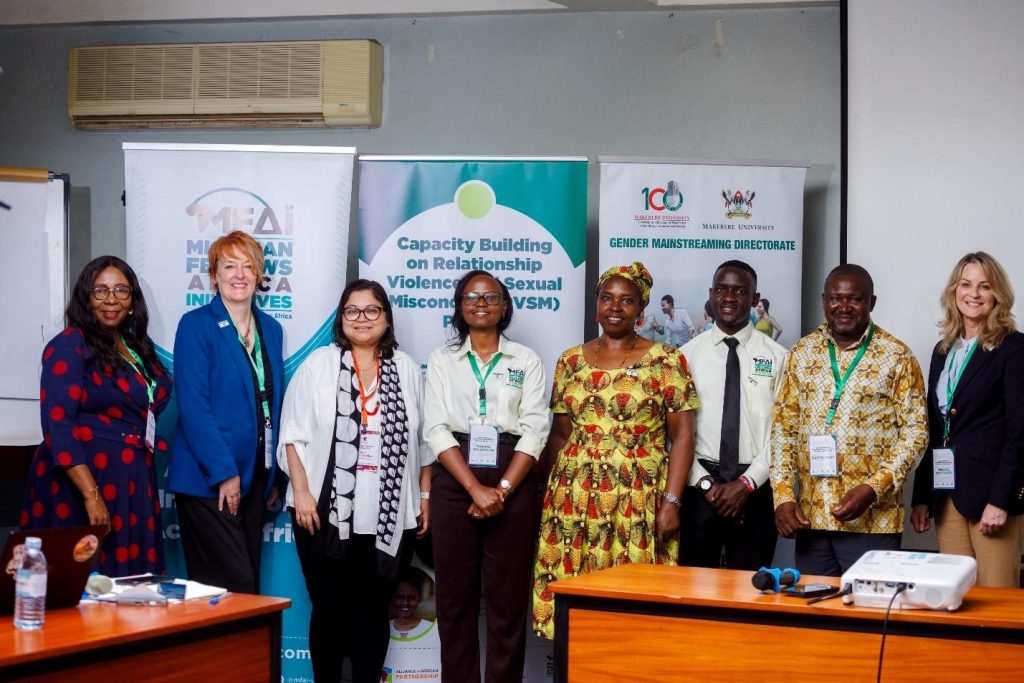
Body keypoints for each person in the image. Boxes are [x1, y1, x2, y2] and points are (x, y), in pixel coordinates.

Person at [533, 262, 699, 639]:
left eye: (627, 301)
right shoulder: (570, 360)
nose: (615, 307)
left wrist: (671, 501)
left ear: (641, 310)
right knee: (577, 602)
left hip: (637, 497)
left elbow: (684, 435)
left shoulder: (667, 360)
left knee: (633, 603)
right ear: (596, 305)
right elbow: (560, 435)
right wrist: (553, 497)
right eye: (607, 298)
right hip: (573, 500)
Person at [278, 279, 432, 682]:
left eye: (371, 310)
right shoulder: (320, 365)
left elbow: (424, 442)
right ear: (341, 318)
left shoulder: (406, 369)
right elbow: (292, 434)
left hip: (388, 515)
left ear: (386, 317)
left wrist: (424, 498)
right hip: (322, 512)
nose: (361, 319)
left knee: (371, 611)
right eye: (352, 310)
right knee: (329, 609)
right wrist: (302, 492)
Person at [423, 270, 549, 683]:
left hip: (512, 475)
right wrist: (475, 490)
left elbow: (535, 429)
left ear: (505, 306)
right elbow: (436, 428)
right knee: (455, 601)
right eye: (471, 296)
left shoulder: (525, 360)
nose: (481, 303)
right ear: (460, 306)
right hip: (456, 479)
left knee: (506, 602)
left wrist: (503, 491)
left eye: (491, 296)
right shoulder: (443, 360)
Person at [771, 264, 928, 575]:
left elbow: (916, 433)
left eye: (854, 299)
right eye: (835, 298)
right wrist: (783, 496)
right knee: (816, 614)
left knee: (868, 615)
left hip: (873, 520)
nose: (843, 307)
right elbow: (783, 428)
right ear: (824, 300)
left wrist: (873, 487)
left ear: (871, 302)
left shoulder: (897, 356)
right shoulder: (802, 352)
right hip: (812, 517)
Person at [21, 256, 171, 576]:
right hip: (84, 480)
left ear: (133, 300)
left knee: (133, 585)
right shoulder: (71, 344)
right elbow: (58, 423)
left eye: (120, 290)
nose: (111, 299)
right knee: (80, 581)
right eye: (100, 290)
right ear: (85, 298)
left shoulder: (138, 348)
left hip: (133, 478)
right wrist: (91, 494)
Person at [168, 230, 284, 593]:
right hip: (209, 481)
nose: (239, 274)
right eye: (229, 265)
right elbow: (194, 406)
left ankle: (241, 653)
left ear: (260, 275)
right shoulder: (196, 325)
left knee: (244, 593)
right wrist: (224, 473)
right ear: (214, 276)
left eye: (248, 266)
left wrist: (273, 476)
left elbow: (271, 403)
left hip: (255, 478)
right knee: (228, 587)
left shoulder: (271, 329)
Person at [911, 252, 1024, 587]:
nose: (973, 294)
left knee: (997, 603)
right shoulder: (943, 350)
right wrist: (922, 497)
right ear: (953, 291)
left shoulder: (1013, 348)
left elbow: (1020, 432)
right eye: (966, 284)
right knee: (955, 597)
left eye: (984, 286)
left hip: (991, 497)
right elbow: (935, 428)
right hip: (948, 497)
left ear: (997, 295)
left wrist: (1001, 500)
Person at [679, 261, 787, 570]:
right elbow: (673, 434)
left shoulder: (779, 358)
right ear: (711, 294)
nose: (729, 297)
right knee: (694, 594)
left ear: (755, 299)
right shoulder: (684, 357)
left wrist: (747, 483)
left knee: (750, 594)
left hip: (756, 490)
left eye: (740, 291)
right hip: (698, 489)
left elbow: (785, 432)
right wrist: (705, 485)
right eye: (722, 290)